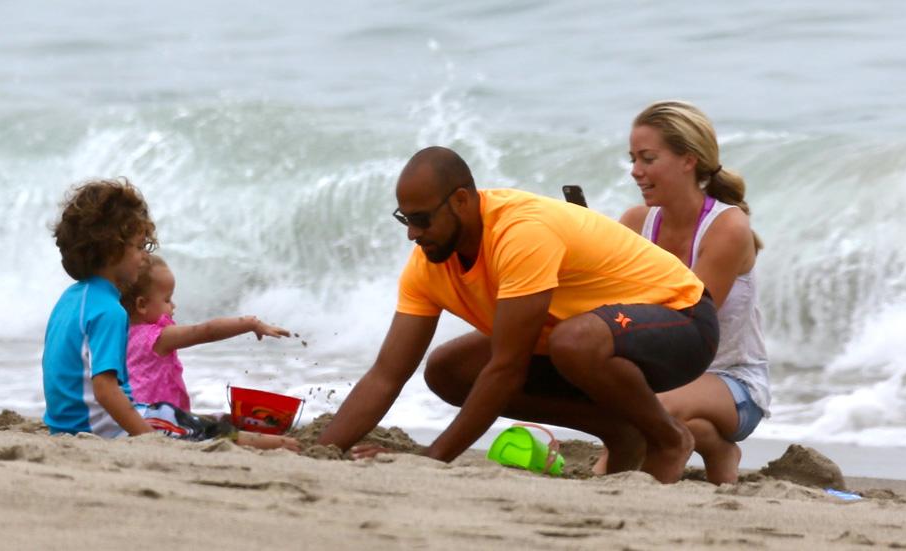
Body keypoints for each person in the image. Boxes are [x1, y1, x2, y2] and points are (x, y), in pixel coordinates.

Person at [318, 146, 719, 483]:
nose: (412, 233)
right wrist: (324, 451)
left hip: (682, 321)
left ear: (461, 200)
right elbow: (387, 373)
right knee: (448, 369)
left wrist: (432, 459)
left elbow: (506, 368)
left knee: (572, 342)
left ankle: (667, 438)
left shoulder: (520, 232)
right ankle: (619, 430)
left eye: (422, 219)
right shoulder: (428, 264)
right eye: (406, 219)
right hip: (591, 341)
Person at [42, 178, 299, 451]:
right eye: (139, 246)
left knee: (185, 419)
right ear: (112, 249)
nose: (144, 257)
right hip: (102, 429)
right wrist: (147, 439)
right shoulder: (109, 311)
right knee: (200, 429)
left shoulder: (70, 299)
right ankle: (284, 444)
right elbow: (106, 391)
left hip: (64, 426)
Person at [599, 100, 770, 483]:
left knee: (645, 408)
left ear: (688, 160)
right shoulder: (635, 222)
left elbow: (687, 329)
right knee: (635, 402)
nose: (635, 172)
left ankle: (610, 483)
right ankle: (716, 447)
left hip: (733, 381)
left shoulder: (728, 228)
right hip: (667, 377)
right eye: (633, 159)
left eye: (647, 159)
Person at [120, 254, 290, 411]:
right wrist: (251, 323)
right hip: (156, 419)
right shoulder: (158, 338)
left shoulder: (118, 334)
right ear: (141, 305)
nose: (173, 305)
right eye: (167, 299)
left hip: (132, 414)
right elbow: (206, 331)